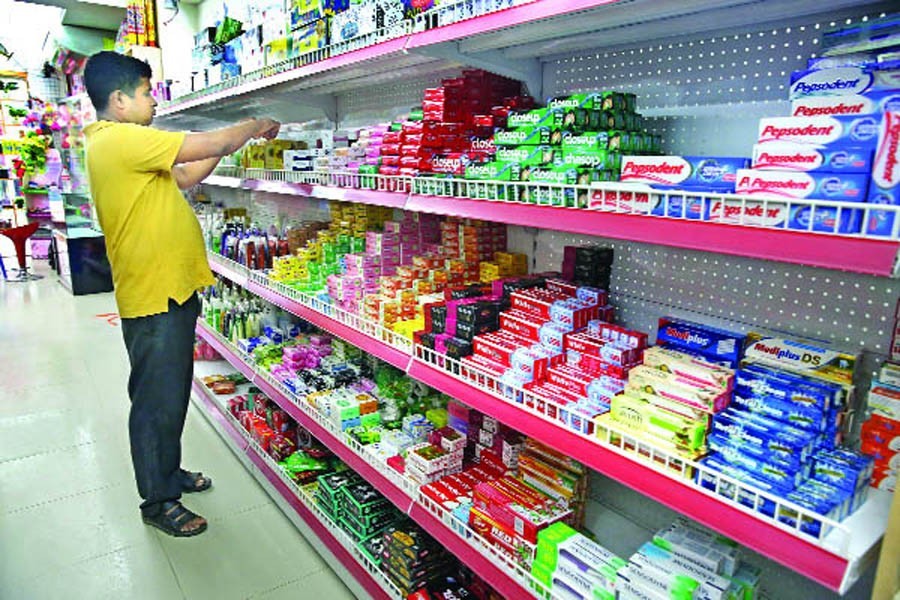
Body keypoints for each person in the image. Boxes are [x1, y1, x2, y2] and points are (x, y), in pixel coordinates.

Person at [83, 51, 280, 537]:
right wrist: (252, 124)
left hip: (168, 290)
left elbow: (189, 173)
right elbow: (200, 143)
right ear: (120, 100)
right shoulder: (120, 140)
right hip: (152, 295)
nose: (153, 101)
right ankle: (158, 501)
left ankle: (167, 474)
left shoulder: (129, 148)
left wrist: (228, 145)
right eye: (147, 92)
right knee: (155, 401)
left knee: (169, 396)